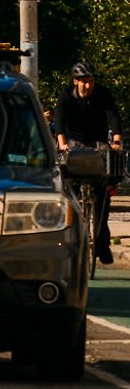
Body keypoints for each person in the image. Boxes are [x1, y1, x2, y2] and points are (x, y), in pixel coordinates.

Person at [54, 62, 123, 265]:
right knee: (68, 189)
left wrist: (117, 139)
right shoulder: (66, 96)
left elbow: (114, 117)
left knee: (103, 191)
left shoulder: (103, 94)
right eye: (83, 82)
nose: (87, 86)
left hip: (97, 142)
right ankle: (68, 240)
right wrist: (62, 144)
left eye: (90, 81)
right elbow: (59, 122)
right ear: (75, 81)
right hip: (74, 143)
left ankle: (102, 244)